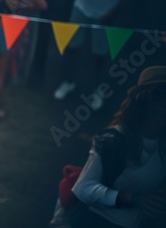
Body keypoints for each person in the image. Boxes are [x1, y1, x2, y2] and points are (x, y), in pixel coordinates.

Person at [66, 66, 166, 228]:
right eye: (160, 94)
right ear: (142, 100)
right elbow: (84, 187)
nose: (165, 104)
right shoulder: (114, 139)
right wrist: (130, 198)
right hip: (96, 221)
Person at [53, 0, 143, 111]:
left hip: (107, 12)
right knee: (71, 45)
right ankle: (68, 81)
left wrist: (114, 12)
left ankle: (98, 90)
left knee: (100, 55)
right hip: (81, 5)